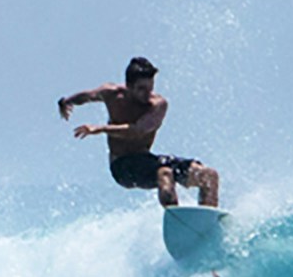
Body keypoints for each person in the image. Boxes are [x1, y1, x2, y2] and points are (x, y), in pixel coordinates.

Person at [58, 57, 219, 211]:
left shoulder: (158, 105)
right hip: (122, 166)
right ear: (128, 85)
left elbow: (137, 131)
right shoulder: (112, 94)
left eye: (150, 88)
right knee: (165, 173)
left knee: (208, 176)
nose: (147, 94)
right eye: (141, 89)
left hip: (147, 159)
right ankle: (178, 220)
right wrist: (66, 102)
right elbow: (88, 96)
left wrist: (100, 129)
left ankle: (206, 223)